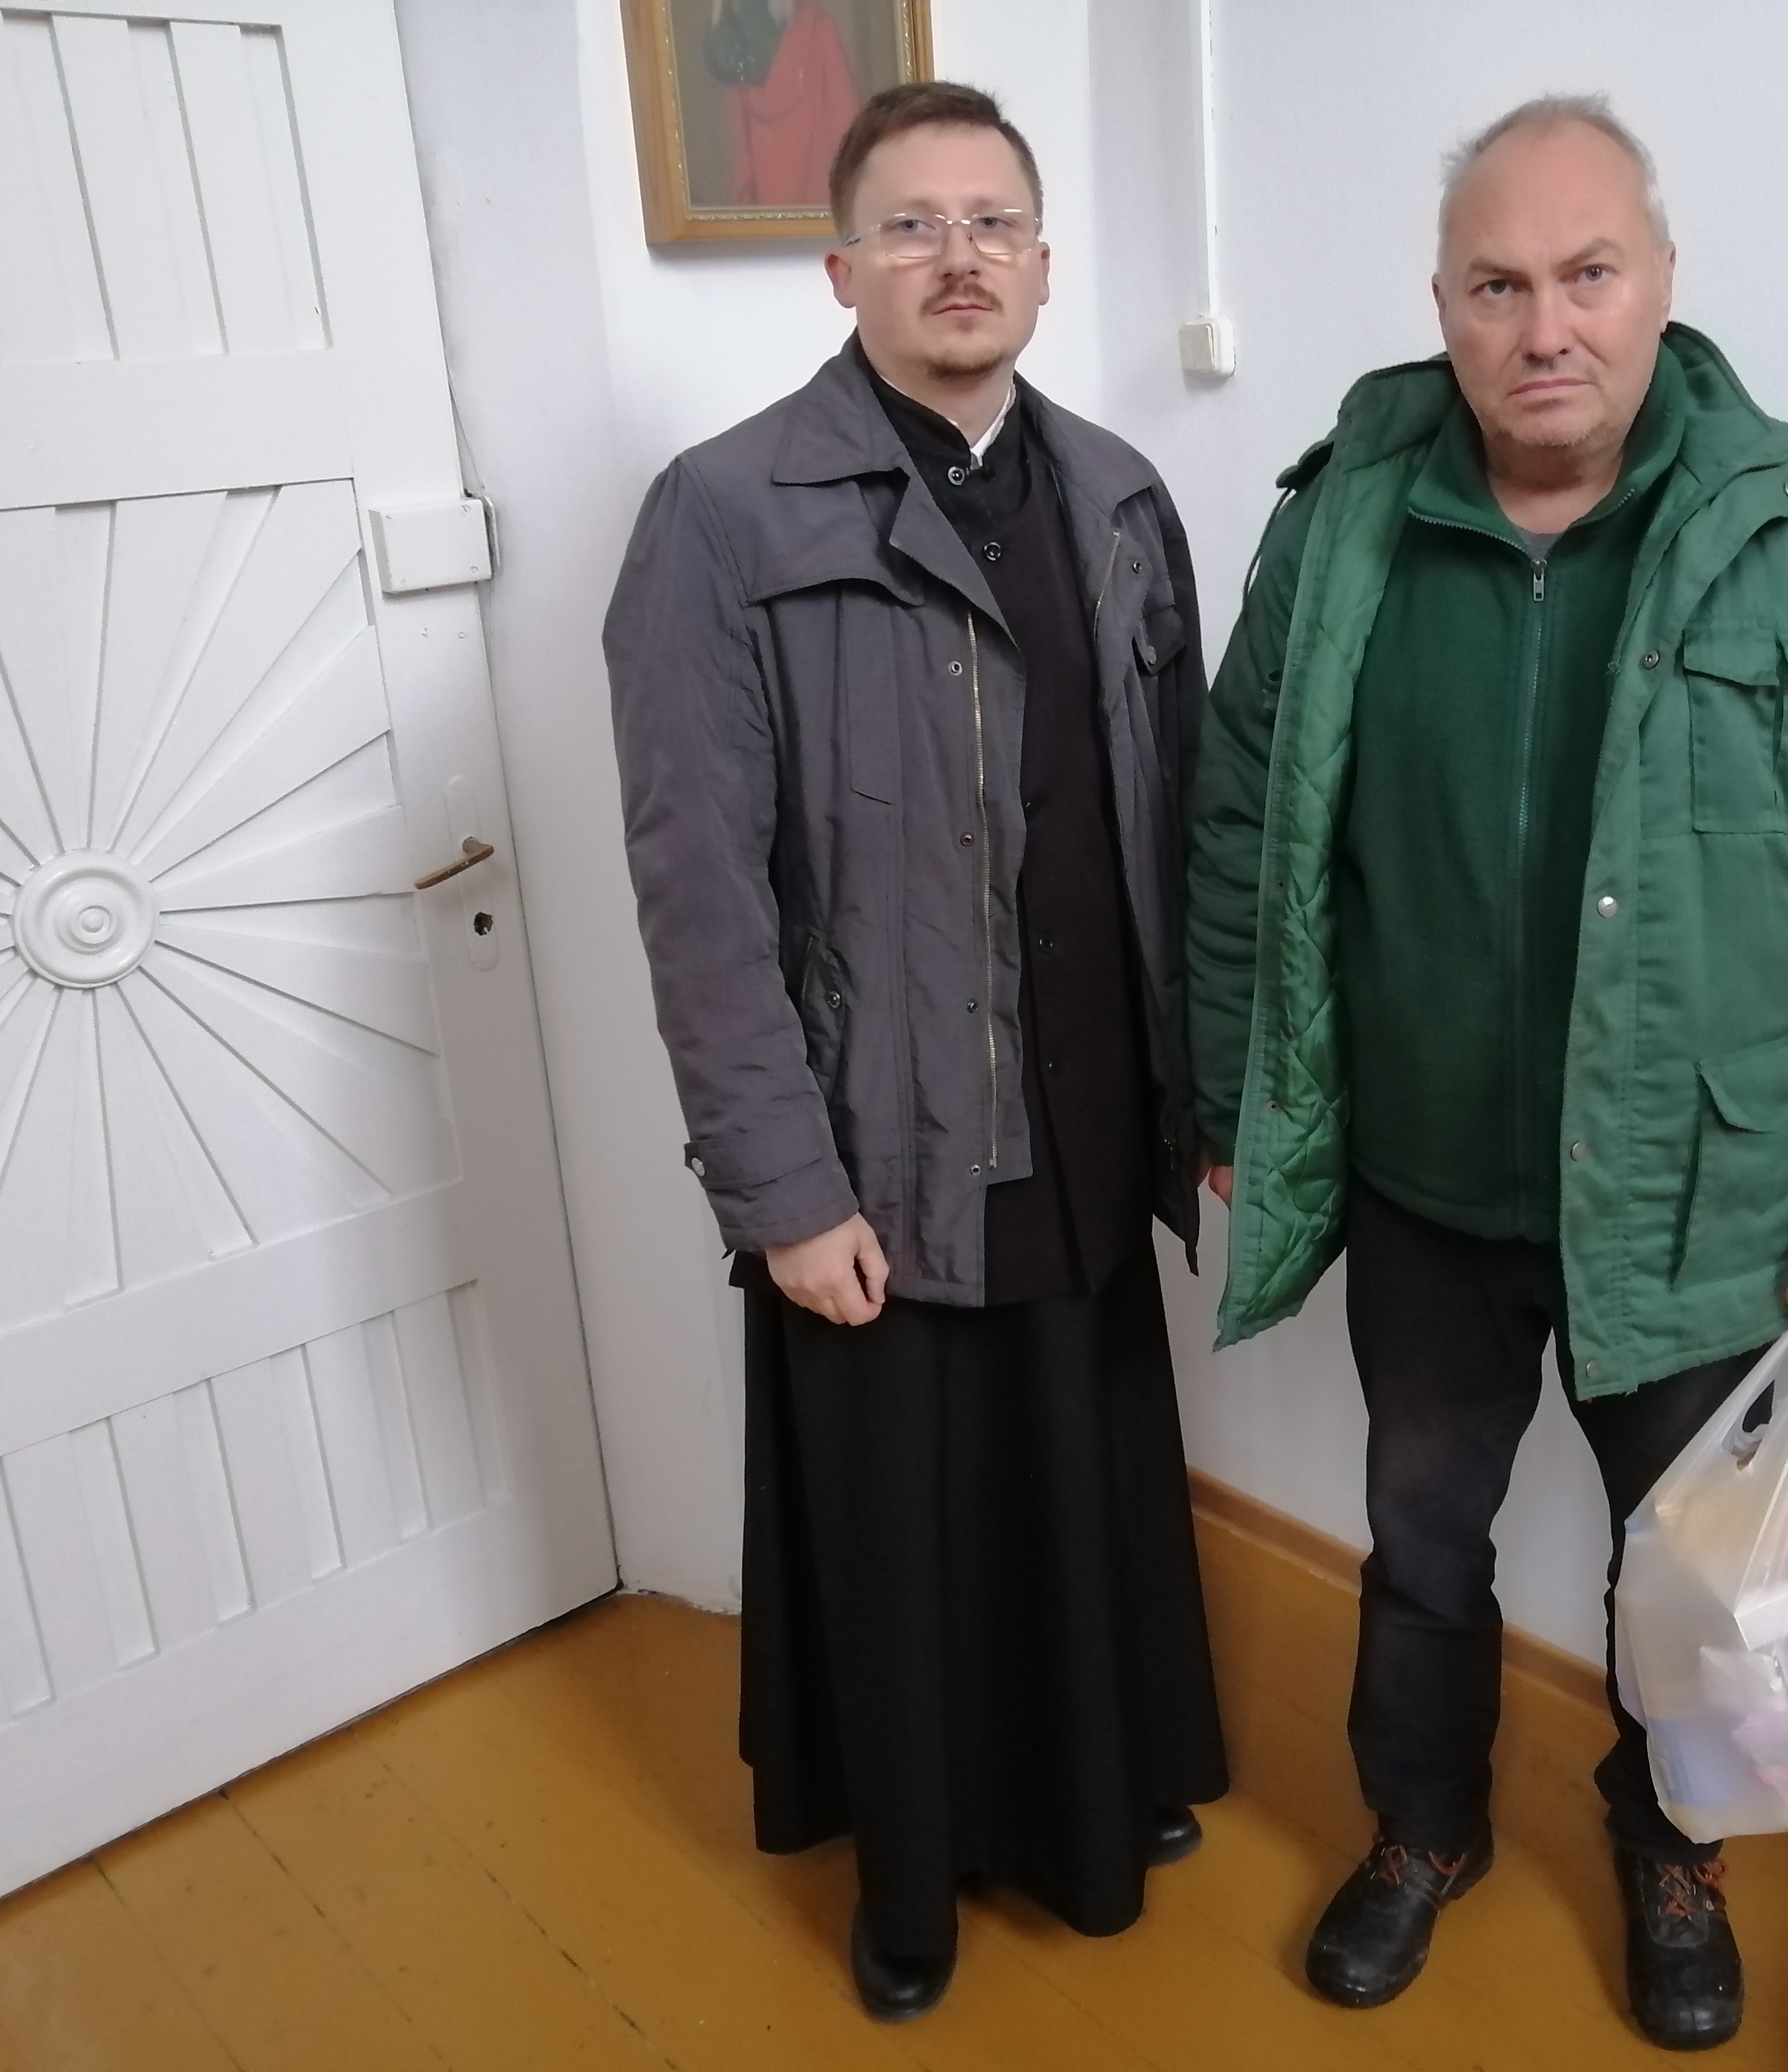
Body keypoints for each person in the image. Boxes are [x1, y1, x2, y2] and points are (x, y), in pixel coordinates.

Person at [1186, 96, 1788, 2052]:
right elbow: (1242, 829)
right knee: (1419, 1543)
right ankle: (1421, 1825)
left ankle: (1670, 1846)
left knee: (1687, 1575)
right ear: (1441, 306)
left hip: (1701, 1198)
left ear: (1662, 280)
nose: (1546, 327)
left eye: (1587, 273)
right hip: (1425, 1180)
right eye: (1497, 284)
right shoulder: (1343, 527)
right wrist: (1228, 1096)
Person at [605, 80, 1226, 2025]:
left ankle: (1092, 1801)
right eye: (911, 224)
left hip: (1086, 1108)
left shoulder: (1118, 495)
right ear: (840, 269)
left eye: (992, 223)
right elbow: (697, 889)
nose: (958, 258)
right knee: (906, 1521)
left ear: (1043, 264)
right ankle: (910, 1880)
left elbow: (1183, 828)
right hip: (874, 1137)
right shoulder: (720, 516)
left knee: (1079, 1475)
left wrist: (1200, 1098)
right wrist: (780, 1189)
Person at [702, 0, 861, 207]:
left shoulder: (818, 29)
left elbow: (844, 118)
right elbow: (844, 118)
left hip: (781, 193)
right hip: (806, 197)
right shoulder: (819, 29)